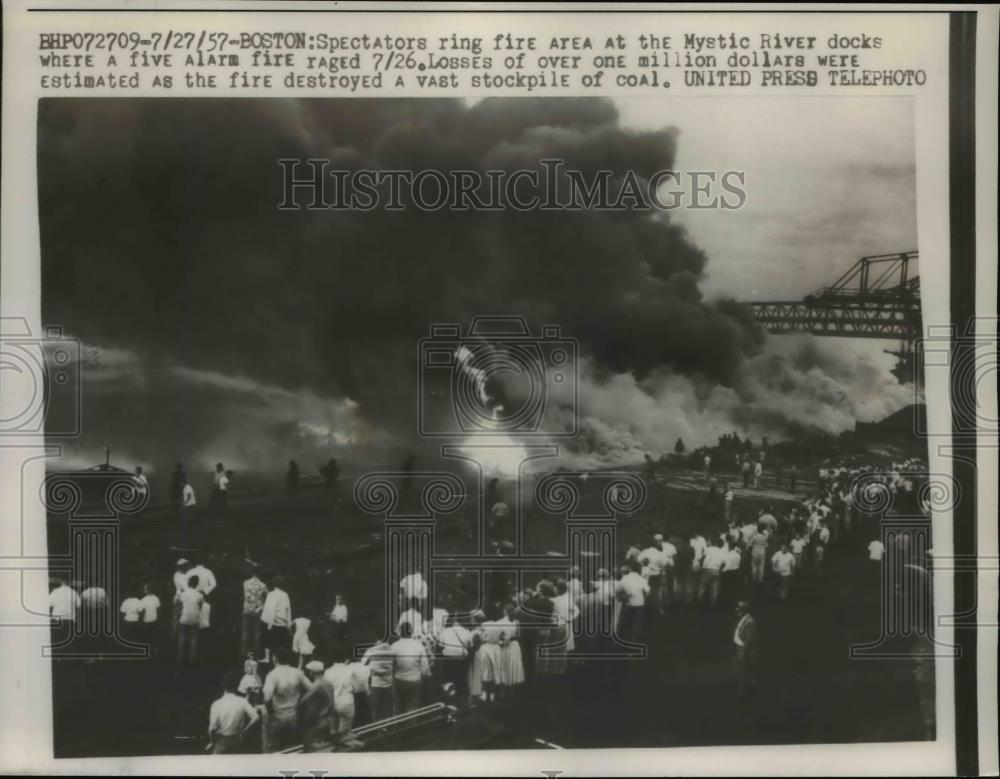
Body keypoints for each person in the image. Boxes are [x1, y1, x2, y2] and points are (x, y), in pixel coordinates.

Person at [262, 647, 313, 753]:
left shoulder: (272, 675)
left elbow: (267, 698)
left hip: (277, 716)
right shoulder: (297, 673)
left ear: (275, 658)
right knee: (290, 749)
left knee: (271, 748)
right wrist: (301, 701)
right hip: (292, 715)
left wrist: (270, 714)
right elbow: (312, 689)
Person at [207, 670, 260, 754]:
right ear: (237, 686)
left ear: (223, 686)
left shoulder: (217, 704)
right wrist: (244, 731)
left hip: (222, 741)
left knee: (216, 765)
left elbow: (212, 728)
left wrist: (212, 742)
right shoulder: (242, 701)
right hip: (237, 740)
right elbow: (256, 717)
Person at [391, 621, 430, 713]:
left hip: (398, 680)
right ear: (412, 632)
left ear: (400, 631)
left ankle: (398, 726)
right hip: (415, 680)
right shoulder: (418, 645)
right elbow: (425, 667)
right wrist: (425, 676)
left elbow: (390, 665)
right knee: (412, 707)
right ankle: (410, 726)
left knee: (398, 707)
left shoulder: (394, 646)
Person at [298, 660, 336, 751]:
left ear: (312, 672)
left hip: (318, 721)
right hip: (329, 719)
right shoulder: (329, 683)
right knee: (326, 747)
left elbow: (302, 702)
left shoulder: (315, 686)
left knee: (313, 748)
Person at [361, 636, 396, 722]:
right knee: (387, 709)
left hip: (376, 684)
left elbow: (363, 663)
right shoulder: (392, 650)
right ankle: (388, 728)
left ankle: (377, 730)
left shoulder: (372, 650)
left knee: (376, 710)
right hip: (389, 683)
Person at [437, 613, 472, 696]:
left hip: (448, 658)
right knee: (460, 678)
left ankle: (449, 695)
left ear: (455, 620)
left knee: (449, 678)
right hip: (461, 659)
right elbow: (470, 646)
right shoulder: (467, 632)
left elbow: (440, 646)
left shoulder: (445, 631)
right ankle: (460, 694)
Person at [260, 576, 292, 663]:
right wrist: (288, 624)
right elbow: (288, 609)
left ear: (274, 584)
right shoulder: (285, 595)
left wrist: (268, 623)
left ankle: (267, 658)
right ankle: (280, 659)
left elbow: (269, 609)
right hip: (282, 622)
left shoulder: (271, 594)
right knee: (280, 643)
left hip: (272, 621)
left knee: (267, 640)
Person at [616, 561, 649, 643]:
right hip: (640, 603)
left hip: (629, 604)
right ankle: (633, 639)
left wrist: (624, 597)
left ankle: (625, 639)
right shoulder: (641, 579)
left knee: (628, 621)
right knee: (636, 623)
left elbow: (619, 594)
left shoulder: (623, 580)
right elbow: (648, 591)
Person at [732, 601, 758, 699]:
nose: (738, 612)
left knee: (742, 672)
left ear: (745, 611)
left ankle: (741, 695)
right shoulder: (742, 620)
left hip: (746, 650)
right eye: (738, 610)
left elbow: (749, 639)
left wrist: (744, 652)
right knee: (742, 670)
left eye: (740, 610)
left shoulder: (749, 622)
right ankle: (752, 686)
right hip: (740, 649)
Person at [176, 575, 204, 664]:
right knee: (194, 640)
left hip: (184, 618)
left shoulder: (183, 594)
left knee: (182, 639)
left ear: (188, 583)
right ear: (197, 584)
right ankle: (192, 660)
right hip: (195, 619)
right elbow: (200, 607)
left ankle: (180, 660)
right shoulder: (200, 595)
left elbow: (178, 606)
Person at [241, 565, 267, 659]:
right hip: (257, 610)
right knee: (257, 634)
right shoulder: (263, 585)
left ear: (252, 572)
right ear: (260, 574)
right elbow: (266, 597)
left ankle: (244, 654)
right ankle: (258, 654)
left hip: (247, 609)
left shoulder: (245, 583)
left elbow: (245, 595)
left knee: (245, 633)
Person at [699, 540, 726, 607]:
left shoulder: (709, 549)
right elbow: (724, 563)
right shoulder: (723, 552)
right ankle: (712, 604)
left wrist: (700, 567)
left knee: (702, 587)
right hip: (716, 570)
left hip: (707, 569)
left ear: (716, 543)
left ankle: (699, 602)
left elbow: (702, 558)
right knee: (714, 589)